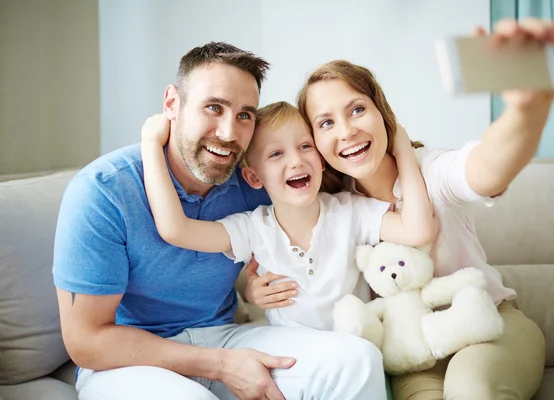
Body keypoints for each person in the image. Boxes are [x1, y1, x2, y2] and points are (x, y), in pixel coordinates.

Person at [53, 42, 387, 400]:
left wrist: (251, 286)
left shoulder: (252, 178)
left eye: (245, 115)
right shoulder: (102, 192)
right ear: (172, 105)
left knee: (357, 360)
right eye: (214, 107)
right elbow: (86, 342)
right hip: (132, 362)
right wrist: (219, 364)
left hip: (226, 335)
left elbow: (308, 212)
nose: (229, 133)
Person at [247, 19, 554, 400]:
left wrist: (524, 111)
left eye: (357, 110)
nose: (346, 131)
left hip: (490, 324)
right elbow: (264, 231)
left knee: (471, 390)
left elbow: (485, 170)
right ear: (315, 144)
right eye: (326, 122)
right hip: (412, 353)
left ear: (382, 113)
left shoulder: (430, 171)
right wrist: (250, 287)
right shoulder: (332, 207)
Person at [140, 101, 435, 332]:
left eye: (305, 146)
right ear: (254, 177)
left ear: (320, 160)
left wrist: (403, 148)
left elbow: (418, 231)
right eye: (276, 154)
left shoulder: (351, 211)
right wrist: (151, 144)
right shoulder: (252, 228)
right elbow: (176, 230)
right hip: (295, 358)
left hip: (355, 348)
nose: (296, 160)